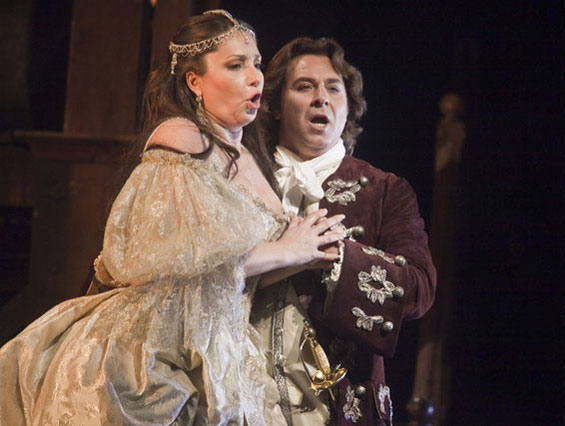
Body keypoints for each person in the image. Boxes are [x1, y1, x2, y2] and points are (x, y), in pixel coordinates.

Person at [0, 12, 345, 425]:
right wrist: (289, 251)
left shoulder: (246, 153)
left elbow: (241, 274)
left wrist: (305, 252)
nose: (255, 78)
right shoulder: (182, 138)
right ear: (194, 82)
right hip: (158, 352)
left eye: (256, 63)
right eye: (235, 66)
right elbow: (184, 266)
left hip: (223, 344)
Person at [250, 37, 437, 425]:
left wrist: (339, 258)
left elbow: (420, 289)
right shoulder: (243, 178)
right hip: (244, 397)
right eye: (304, 86)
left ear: (349, 107)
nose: (321, 98)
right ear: (277, 105)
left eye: (333, 88)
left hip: (337, 407)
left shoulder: (385, 191)